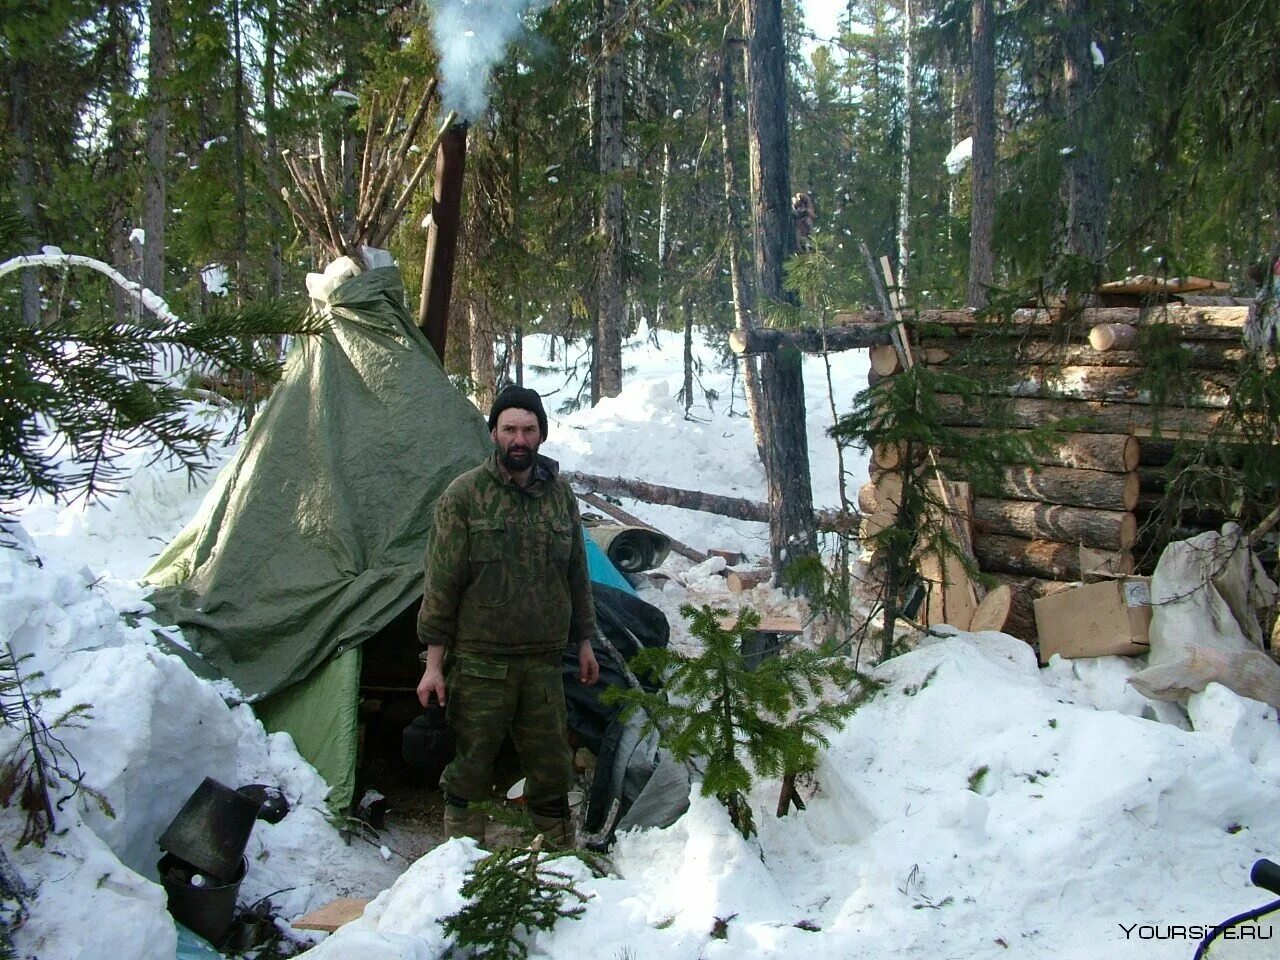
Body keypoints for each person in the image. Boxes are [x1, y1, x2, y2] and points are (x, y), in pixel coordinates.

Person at [416, 384, 600, 847]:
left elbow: (577, 572)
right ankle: (460, 863)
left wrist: (584, 642)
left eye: (529, 429)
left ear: (541, 435)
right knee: (471, 766)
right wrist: (434, 667)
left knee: (552, 766)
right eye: (510, 429)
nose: (519, 439)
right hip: (480, 663)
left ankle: (557, 859)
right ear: (494, 434)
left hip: (543, 663)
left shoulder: (560, 496)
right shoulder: (464, 497)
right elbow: (441, 585)